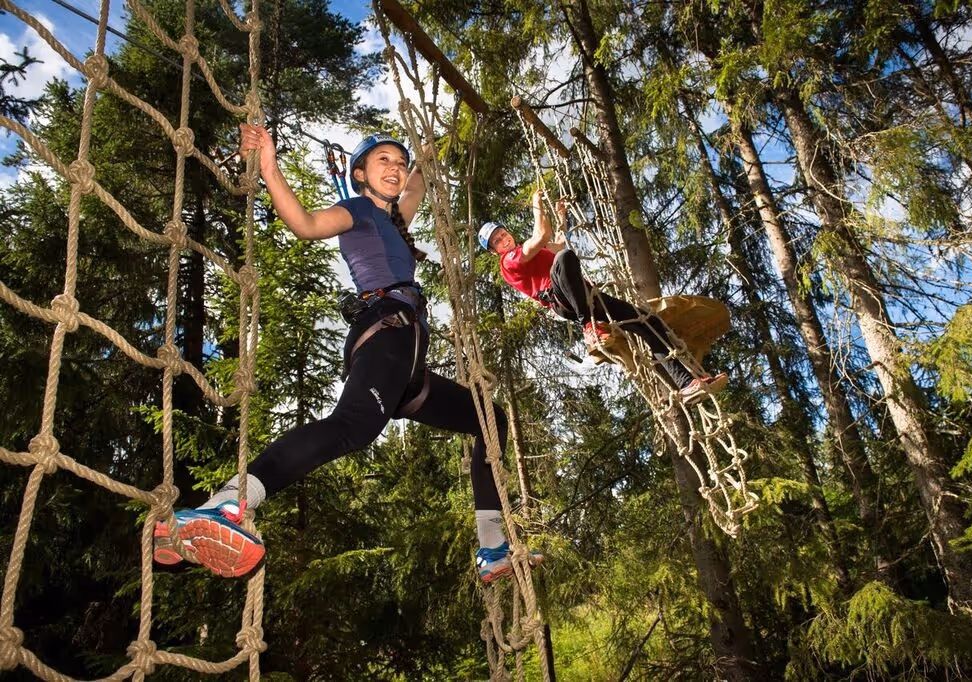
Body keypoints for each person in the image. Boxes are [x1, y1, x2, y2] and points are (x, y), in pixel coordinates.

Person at [153, 124, 539, 582]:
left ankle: (493, 549)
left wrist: (428, 154)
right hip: (387, 335)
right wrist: (271, 169)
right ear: (359, 175)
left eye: (399, 161)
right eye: (383, 162)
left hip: (409, 364)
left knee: (488, 419)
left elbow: (416, 183)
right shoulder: (356, 210)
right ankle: (223, 504)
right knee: (350, 428)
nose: (395, 169)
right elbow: (306, 224)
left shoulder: (395, 220)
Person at [481, 189, 726, 403]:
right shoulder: (509, 261)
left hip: (585, 296)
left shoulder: (528, 251)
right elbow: (543, 237)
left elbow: (557, 245)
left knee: (647, 321)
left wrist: (562, 217)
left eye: (502, 234)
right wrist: (537, 204)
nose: (504, 239)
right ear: (494, 252)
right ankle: (588, 326)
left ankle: (686, 384)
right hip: (563, 299)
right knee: (565, 260)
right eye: (497, 241)